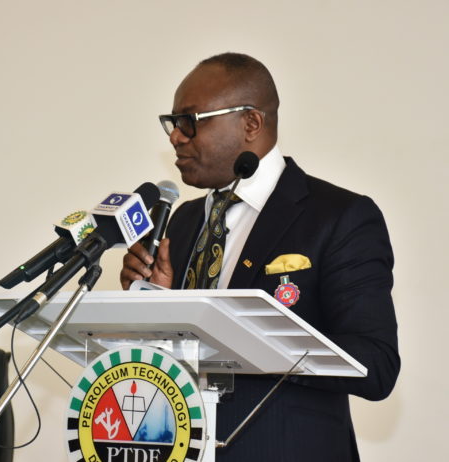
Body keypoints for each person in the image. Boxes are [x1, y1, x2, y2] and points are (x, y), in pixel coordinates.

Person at [120, 52, 400, 461]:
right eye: (172, 123)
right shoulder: (182, 220)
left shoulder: (338, 216)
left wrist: (249, 335)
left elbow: (376, 365)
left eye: (189, 121)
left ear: (251, 123)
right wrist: (155, 303)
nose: (176, 136)